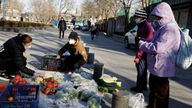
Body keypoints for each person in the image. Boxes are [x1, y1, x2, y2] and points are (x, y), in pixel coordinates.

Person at [139, 2, 180, 108]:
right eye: (156, 17)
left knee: (161, 96)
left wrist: (142, 45)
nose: (156, 20)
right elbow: (155, 42)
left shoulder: (170, 29)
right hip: (157, 68)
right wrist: (144, 41)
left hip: (162, 69)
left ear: (165, 16)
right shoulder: (163, 28)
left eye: (158, 17)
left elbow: (158, 48)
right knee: (154, 92)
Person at [130, 9, 154, 93]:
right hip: (142, 51)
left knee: (141, 70)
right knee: (142, 70)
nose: (135, 18)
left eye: (136, 17)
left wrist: (138, 56)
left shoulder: (146, 26)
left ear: (141, 17)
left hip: (143, 53)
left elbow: (147, 41)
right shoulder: (142, 25)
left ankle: (139, 88)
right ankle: (143, 86)